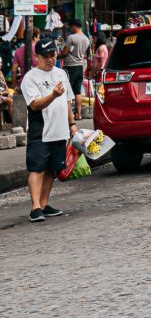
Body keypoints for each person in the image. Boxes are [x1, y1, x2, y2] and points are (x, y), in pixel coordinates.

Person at [20, 38, 75, 223]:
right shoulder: (30, 78)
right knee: (37, 168)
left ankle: (44, 204)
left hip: (60, 129)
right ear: (37, 56)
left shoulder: (61, 74)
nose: (51, 59)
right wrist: (52, 95)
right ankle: (35, 207)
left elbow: (67, 100)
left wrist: (72, 124)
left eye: (53, 55)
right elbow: (34, 105)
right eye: (46, 56)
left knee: (52, 169)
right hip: (41, 130)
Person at [60, 19, 90, 120]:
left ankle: (68, 115)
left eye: (70, 27)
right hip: (80, 67)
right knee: (77, 92)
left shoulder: (71, 37)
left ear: (74, 26)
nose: (70, 29)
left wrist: (56, 56)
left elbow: (65, 53)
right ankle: (78, 114)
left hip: (70, 67)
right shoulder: (86, 39)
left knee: (66, 91)